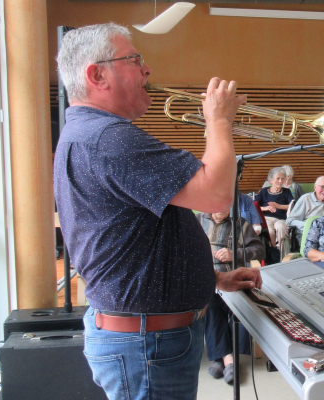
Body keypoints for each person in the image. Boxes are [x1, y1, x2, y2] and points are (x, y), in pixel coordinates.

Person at [53, 23, 261, 400]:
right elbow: (217, 197)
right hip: (147, 344)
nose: (147, 69)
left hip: (145, 337)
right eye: (134, 60)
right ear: (97, 75)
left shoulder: (88, 132)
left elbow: (133, 242)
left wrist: (212, 278)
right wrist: (219, 121)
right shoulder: (108, 138)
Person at [195, 210, 265, 385]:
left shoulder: (240, 224)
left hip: (235, 280)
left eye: (227, 205)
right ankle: (229, 361)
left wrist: (234, 254)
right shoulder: (197, 220)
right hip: (208, 281)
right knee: (210, 304)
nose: (223, 209)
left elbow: (259, 250)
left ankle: (222, 359)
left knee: (241, 305)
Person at [255, 167, 294, 247]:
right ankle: (273, 250)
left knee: (281, 228)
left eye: (282, 178)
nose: (280, 181)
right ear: (271, 181)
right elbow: (254, 205)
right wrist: (266, 208)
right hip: (266, 218)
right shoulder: (264, 191)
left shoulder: (287, 192)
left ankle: (283, 251)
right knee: (269, 231)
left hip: (281, 219)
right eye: (278, 178)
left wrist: (278, 206)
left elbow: (292, 206)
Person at [286, 176, 324, 243]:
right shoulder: (306, 199)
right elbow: (290, 221)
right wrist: (309, 226)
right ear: (315, 187)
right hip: (308, 236)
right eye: (322, 187)